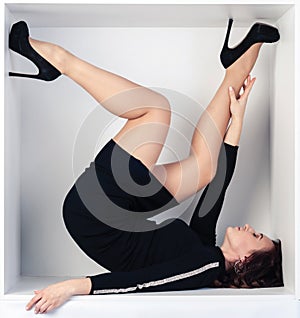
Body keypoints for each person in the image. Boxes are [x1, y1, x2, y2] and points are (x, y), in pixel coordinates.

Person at [8, 19, 283, 315]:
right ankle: (236, 67)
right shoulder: (207, 251)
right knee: (205, 169)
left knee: (155, 112)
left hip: (93, 218)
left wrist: (73, 286)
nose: (250, 229)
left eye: (255, 237)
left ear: (245, 261)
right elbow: (218, 187)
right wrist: (237, 122)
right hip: (122, 212)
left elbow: (141, 283)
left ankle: (56, 60)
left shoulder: (202, 268)